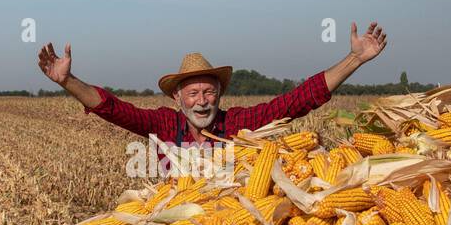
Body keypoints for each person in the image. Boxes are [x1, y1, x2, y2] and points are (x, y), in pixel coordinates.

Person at [36, 22, 387, 145]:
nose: (202, 101)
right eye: (193, 93)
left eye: (208, 92)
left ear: (219, 95)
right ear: (178, 97)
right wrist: (68, 81)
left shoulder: (239, 126)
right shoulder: (162, 125)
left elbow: (298, 101)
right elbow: (113, 109)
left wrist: (355, 59)